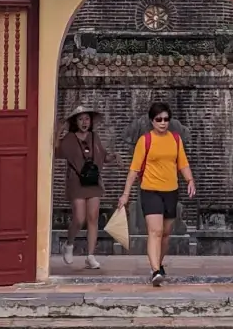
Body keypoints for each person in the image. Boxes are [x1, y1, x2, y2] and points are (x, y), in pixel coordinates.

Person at [115, 101, 196, 287]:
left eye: (166, 119)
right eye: (159, 119)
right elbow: (134, 170)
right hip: (150, 190)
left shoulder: (175, 139)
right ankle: (155, 270)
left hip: (171, 191)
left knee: (166, 233)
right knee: (155, 231)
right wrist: (125, 195)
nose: (163, 122)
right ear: (152, 121)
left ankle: (158, 263)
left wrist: (190, 180)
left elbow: (182, 163)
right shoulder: (145, 141)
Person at [58, 105, 113, 270]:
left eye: (87, 119)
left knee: (93, 218)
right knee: (79, 218)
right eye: (81, 119)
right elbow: (55, 150)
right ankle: (69, 244)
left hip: (93, 182)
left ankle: (90, 255)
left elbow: (103, 156)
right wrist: (58, 130)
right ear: (75, 121)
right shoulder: (69, 139)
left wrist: (113, 157)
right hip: (76, 181)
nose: (84, 122)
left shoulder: (95, 137)